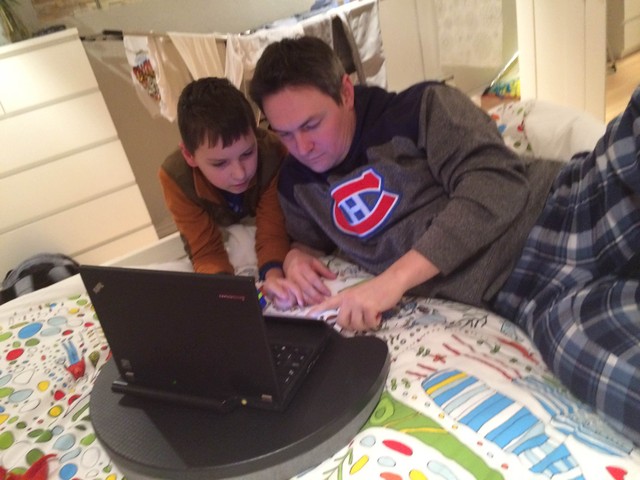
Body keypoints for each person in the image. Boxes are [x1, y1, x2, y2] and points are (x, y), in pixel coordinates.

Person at [249, 36, 640, 444]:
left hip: (567, 206)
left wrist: (392, 281)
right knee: (611, 377)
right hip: (529, 293)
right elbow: (303, 239)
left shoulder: (421, 108)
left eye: (312, 125)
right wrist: (293, 257)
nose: (302, 147)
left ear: (345, 92)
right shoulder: (297, 187)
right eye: (285, 134)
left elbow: (497, 186)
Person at [159, 77, 302, 307]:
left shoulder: (273, 153)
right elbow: (205, 251)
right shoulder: (175, 177)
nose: (239, 173)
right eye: (219, 163)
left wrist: (274, 278)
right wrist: (225, 292)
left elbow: (273, 230)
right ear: (189, 156)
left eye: (247, 153)